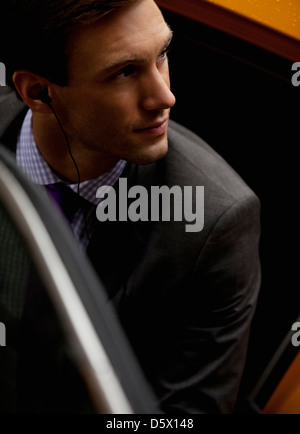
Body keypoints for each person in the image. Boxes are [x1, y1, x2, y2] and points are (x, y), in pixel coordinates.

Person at [0, 0, 261, 414]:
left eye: (162, 55)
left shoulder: (214, 222)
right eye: (124, 72)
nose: (165, 96)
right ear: (39, 91)